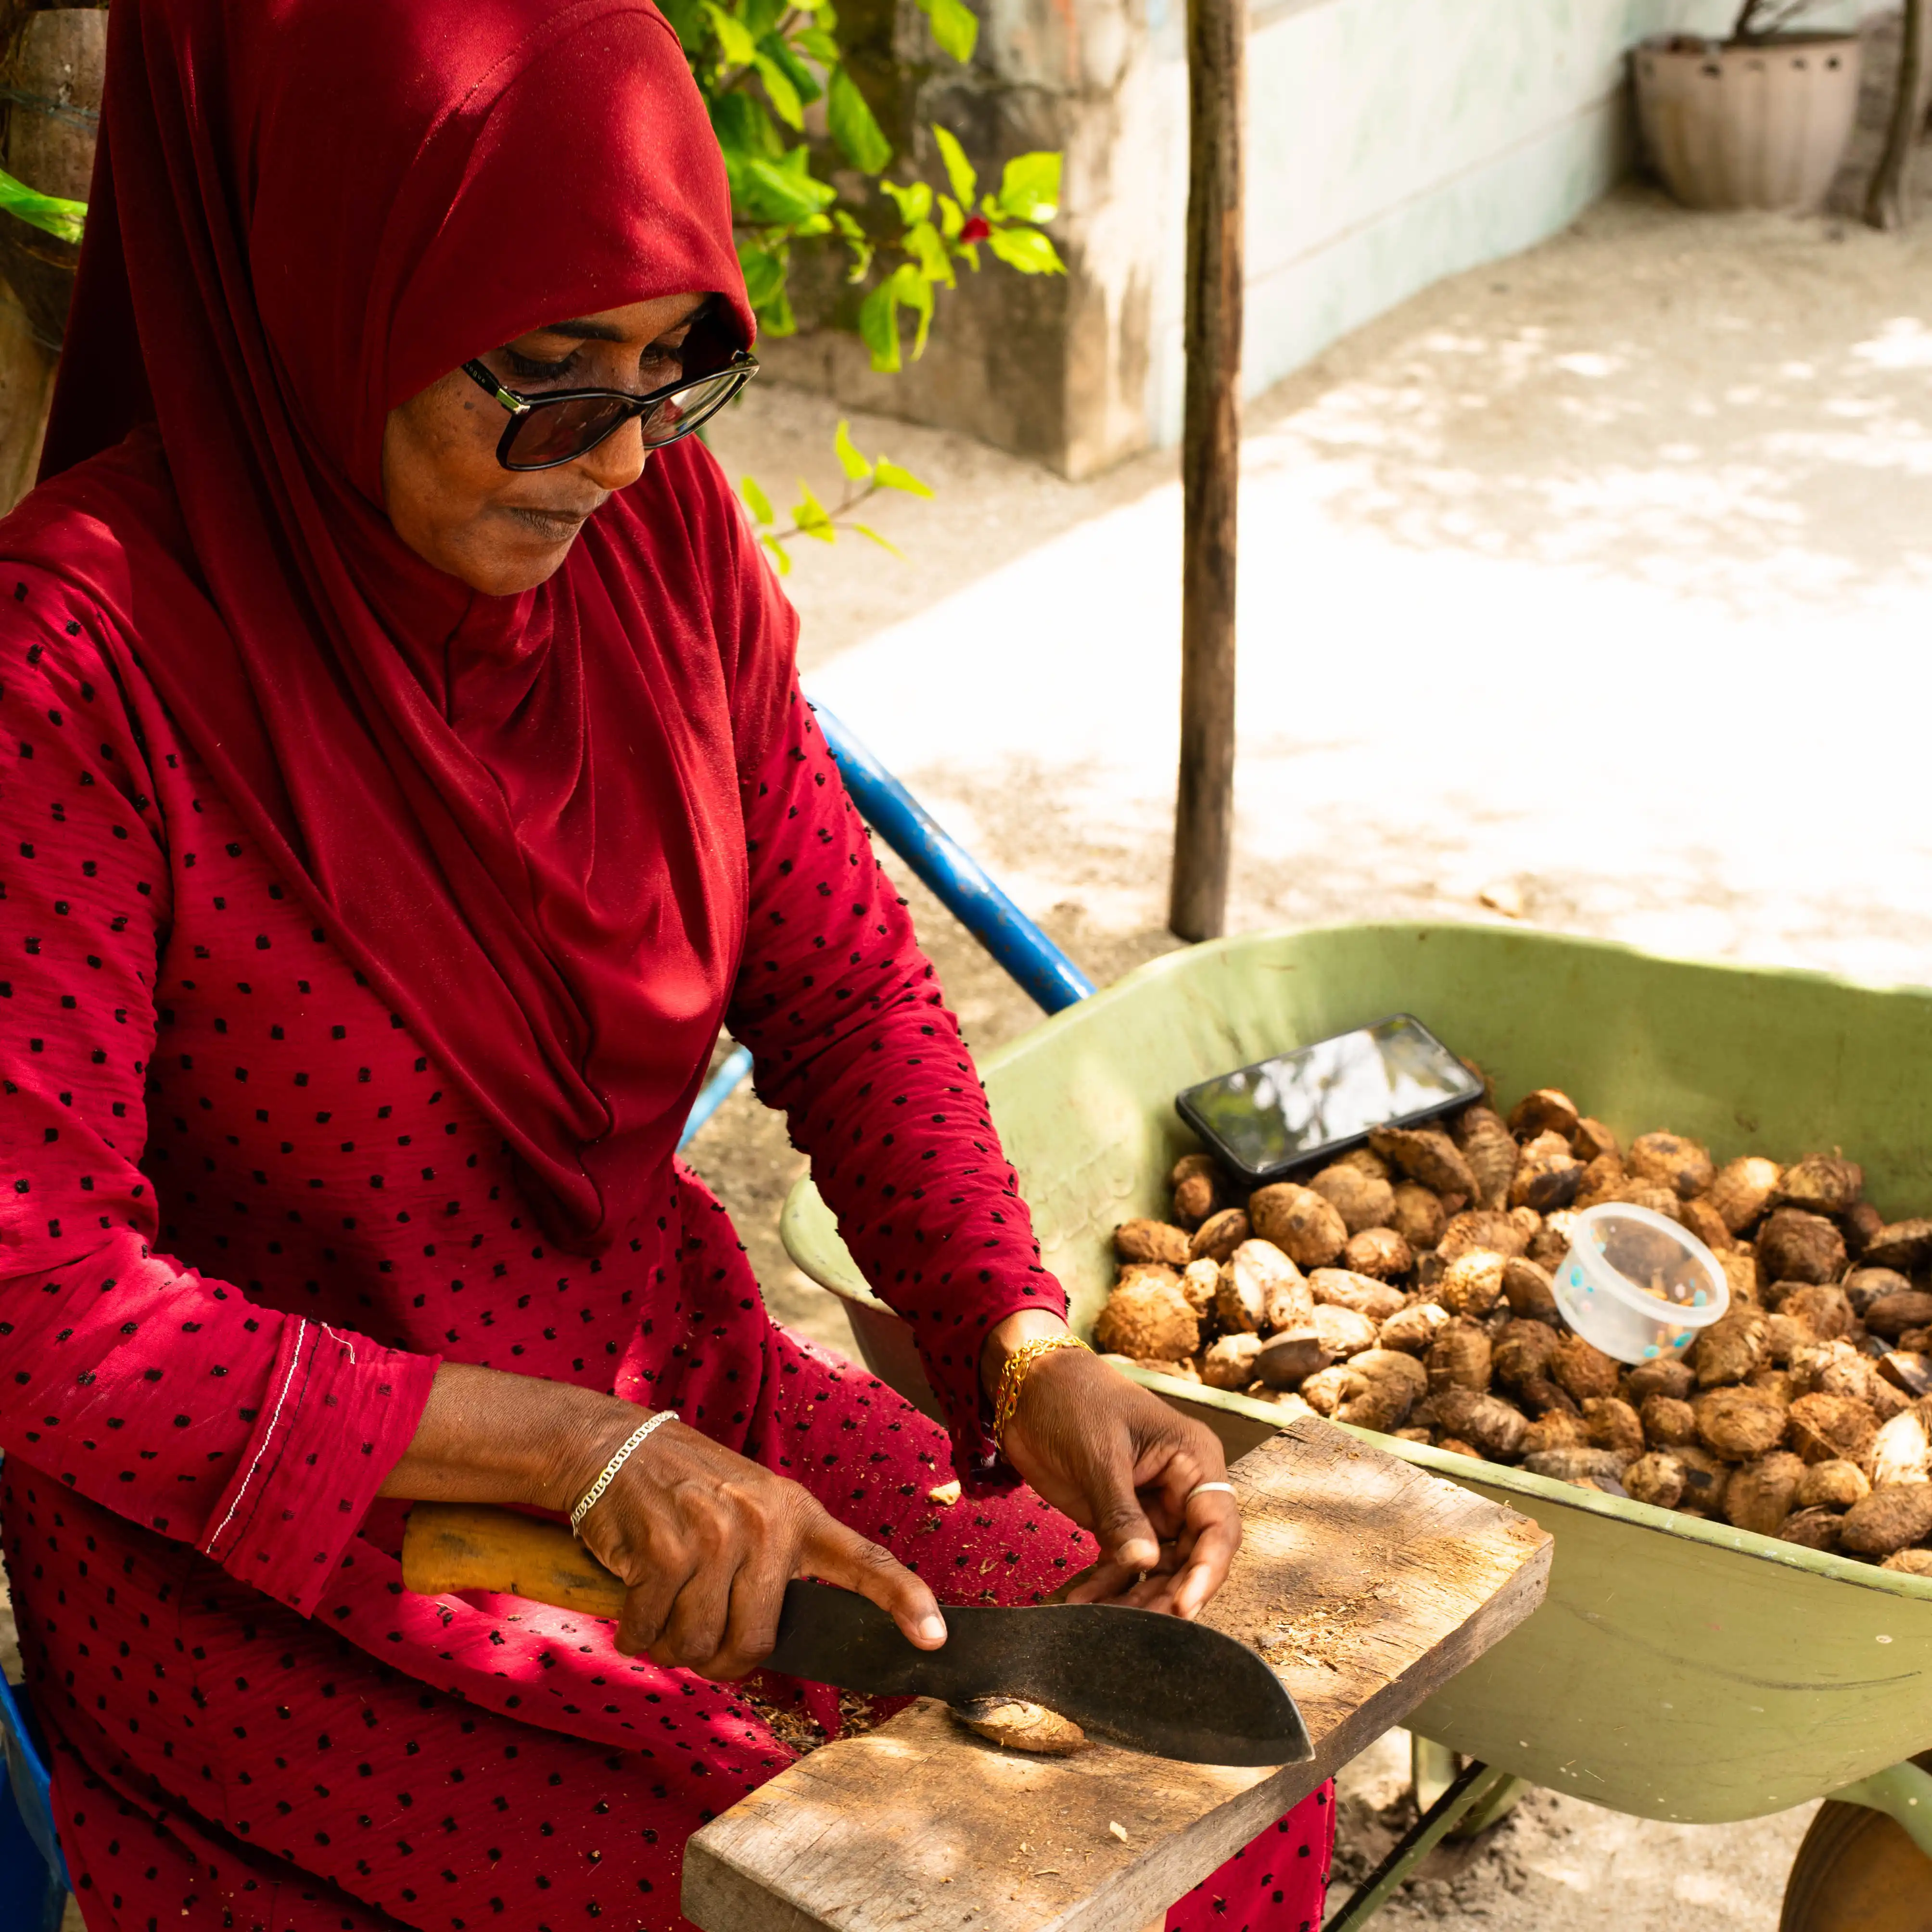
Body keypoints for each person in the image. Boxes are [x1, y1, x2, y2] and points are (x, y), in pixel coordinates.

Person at [0, 0, 1333, 1925]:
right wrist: (568, 1448)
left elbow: (847, 986)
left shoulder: (665, 553)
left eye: (671, 372)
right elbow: (40, 1303)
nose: (615, 458)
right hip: (295, 1545)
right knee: (817, 1883)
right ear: (320, 288)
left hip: (681, 1399)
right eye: (543, 379)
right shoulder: (75, 666)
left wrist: (1015, 1343)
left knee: (1208, 1788)